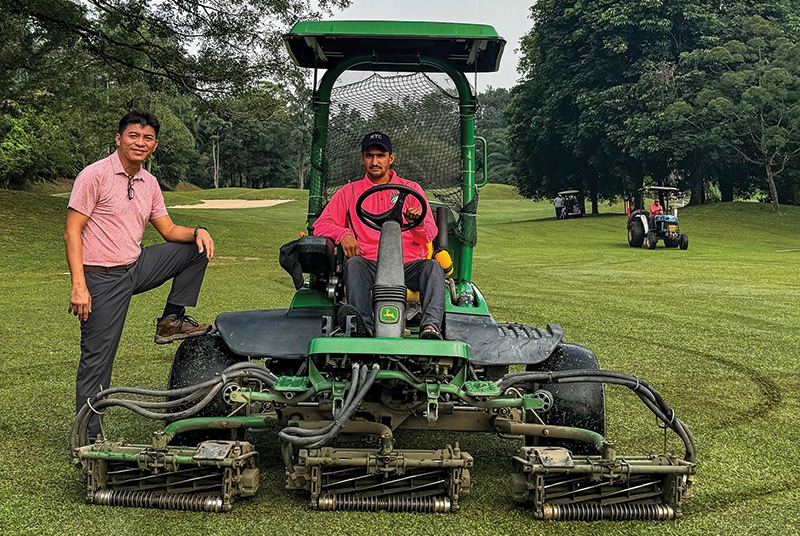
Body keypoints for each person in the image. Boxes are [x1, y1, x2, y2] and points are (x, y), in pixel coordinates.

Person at [65, 110, 215, 440]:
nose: (140, 142)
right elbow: (72, 231)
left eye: (147, 138)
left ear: (154, 145)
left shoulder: (149, 183)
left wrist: (198, 230)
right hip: (101, 278)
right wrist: (79, 285)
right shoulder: (95, 176)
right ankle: (88, 440)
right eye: (133, 136)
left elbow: (168, 229)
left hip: (137, 265)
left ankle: (170, 321)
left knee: (195, 249)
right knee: (97, 362)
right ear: (119, 139)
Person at [313, 131, 445, 339]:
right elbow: (321, 224)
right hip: (370, 264)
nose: (375, 161)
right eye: (370, 156)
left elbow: (429, 233)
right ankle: (362, 326)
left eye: (380, 156)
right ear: (362, 159)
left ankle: (430, 328)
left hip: (408, 266)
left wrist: (415, 222)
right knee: (354, 264)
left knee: (433, 268)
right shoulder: (350, 192)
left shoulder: (411, 190)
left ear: (391, 158)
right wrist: (343, 233)